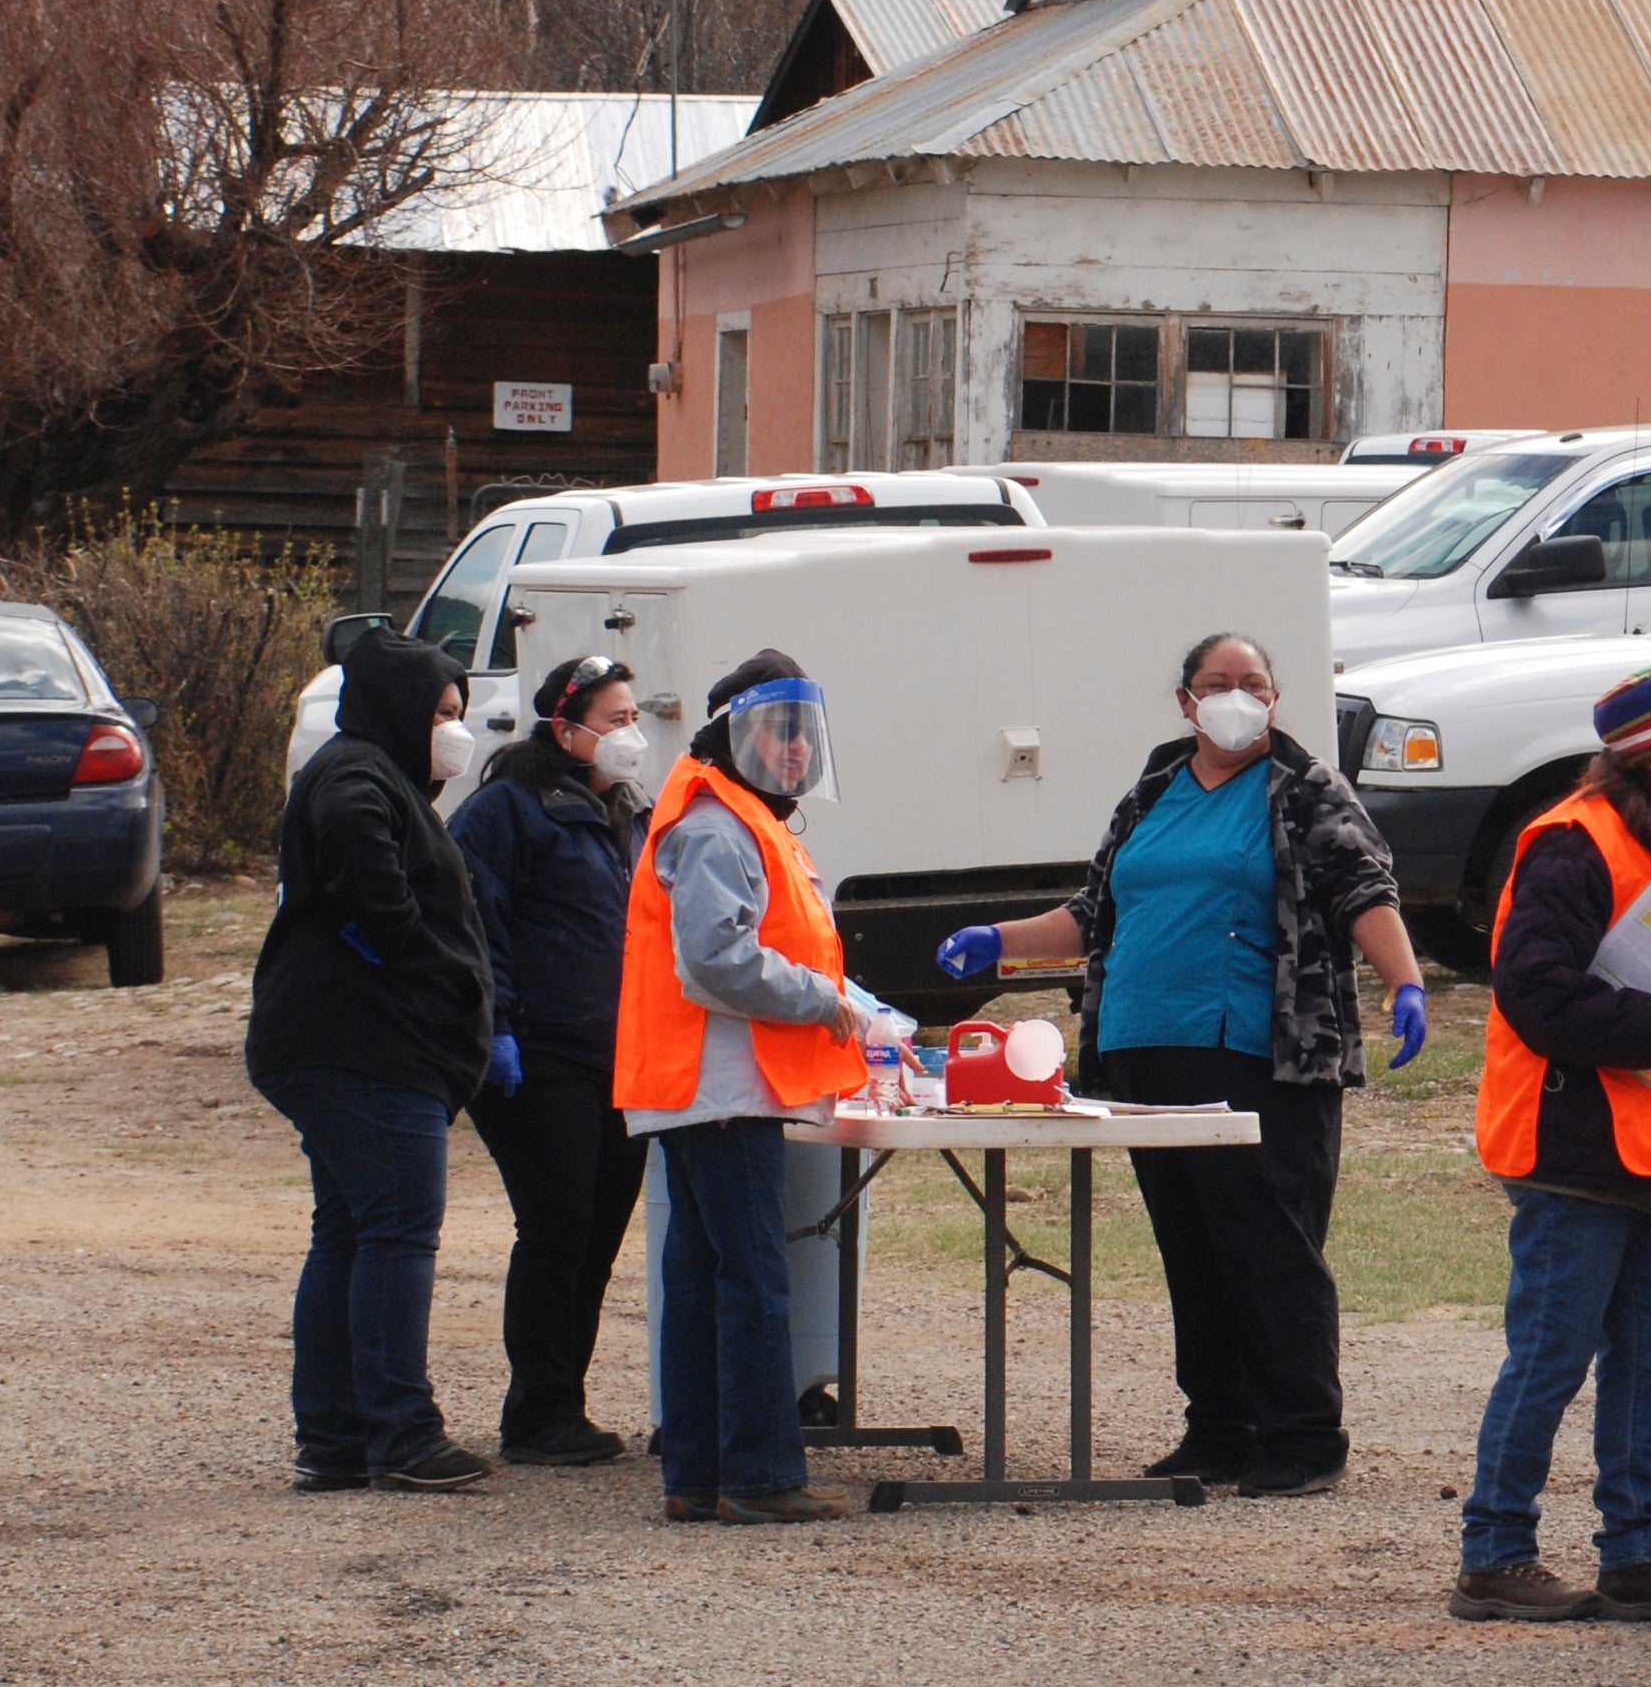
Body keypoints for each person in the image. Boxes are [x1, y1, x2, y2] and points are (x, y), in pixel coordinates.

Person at [940, 634, 1428, 1497]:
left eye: (1254, 684)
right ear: (1185, 700)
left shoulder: (1302, 789)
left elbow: (1363, 888)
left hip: (1258, 1053)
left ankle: (1304, 1434)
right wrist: (997, 943)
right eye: (1217, 683)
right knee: (1192, 1247)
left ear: (1275, 700)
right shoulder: (1154, 792)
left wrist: (1405, 981)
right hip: (1144, 1050)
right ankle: (1220, 1428)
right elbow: (1094, 910)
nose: (1237, 696)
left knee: (1269, 1244)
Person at [1451, 659, 1651, 1627]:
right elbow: (1539, 997)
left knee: (1650, 1358)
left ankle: (1638, 1557)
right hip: (1576, 1151)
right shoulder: (1569, 845)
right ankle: (1492, 1555)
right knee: (1550, 1356)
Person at [614, 649, 875, 1525]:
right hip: (719, 1088)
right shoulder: (718, 823)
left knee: (703, 1276)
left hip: (705, 1087)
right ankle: (759, 1474)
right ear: (733, 733)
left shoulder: (735, 816)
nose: (793, 749)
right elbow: (717, 961)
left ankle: (697, 1474)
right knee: (750, 1277)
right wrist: (823, 1002)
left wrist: (846, 1002)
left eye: (802, 733)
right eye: (775, 730)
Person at [248, 629, 496, 1494]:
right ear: (400, 708)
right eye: (441, 711)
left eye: (458, 713)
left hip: (349, 1048)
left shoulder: (374, 772)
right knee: (394, 1233)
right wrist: (422, 958)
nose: (454, 730)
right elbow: (365, 874)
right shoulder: (357, 775)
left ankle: (336, 1434)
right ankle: (399, 1432)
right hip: (363, 1054)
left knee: (352, 1232)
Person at [446, 655, 651, 1466]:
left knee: (597, 1233)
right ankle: (537, 1412)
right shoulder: (506, 812)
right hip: (541, 1058)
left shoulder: (627, 815)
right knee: (557, 1226)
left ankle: (564, 1401)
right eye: (613, 720)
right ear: (565, 728)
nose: (628, 734)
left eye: (634, 717)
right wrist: (495, 1028)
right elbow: (473, 928)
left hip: (619, 1059)